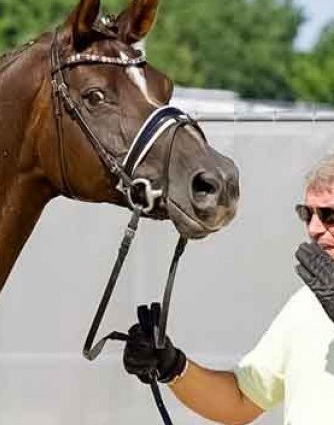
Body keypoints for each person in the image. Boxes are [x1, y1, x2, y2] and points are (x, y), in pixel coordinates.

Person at [123, 152, 334, 424]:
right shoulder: (307, 303)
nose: (314, 228)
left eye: (328, 215)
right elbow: (241, 400)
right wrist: (172, 365)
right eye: (307, 214)